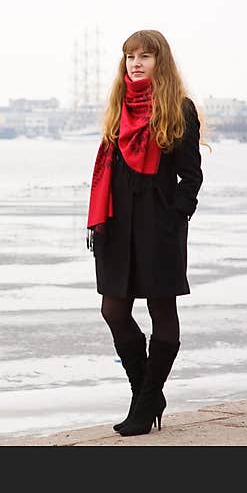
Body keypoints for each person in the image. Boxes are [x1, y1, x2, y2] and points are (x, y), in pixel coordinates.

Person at [86, 29, 205, 437]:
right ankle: (147, 395)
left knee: (163, 316)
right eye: (129, 56)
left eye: (145, 56)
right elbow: (107, 172)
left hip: (159, 227)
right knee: (113, 311)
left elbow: (190, 177)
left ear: (161, 61)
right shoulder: (118, 110)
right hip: (117, 225)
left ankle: (144, 402)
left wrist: (175, 219)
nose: (136, 63)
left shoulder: (179, 110)